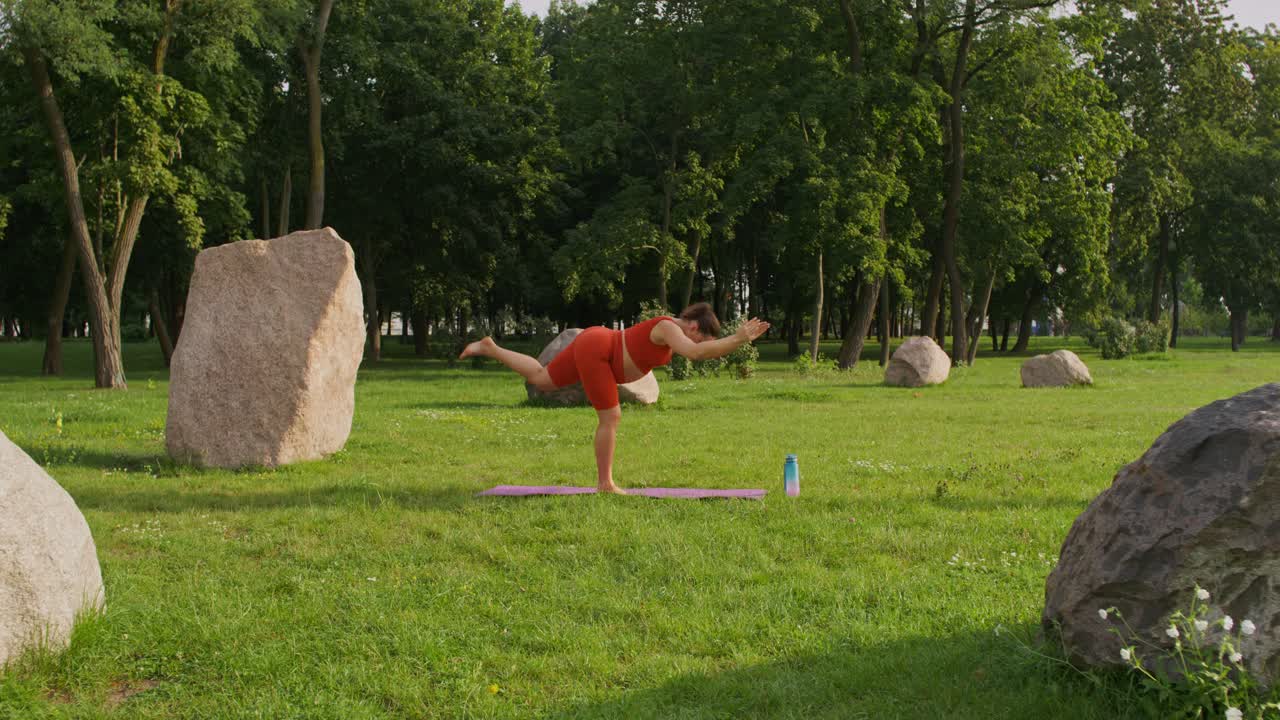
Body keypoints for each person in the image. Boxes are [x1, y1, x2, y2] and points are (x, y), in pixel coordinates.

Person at [459, 303, 770, 493]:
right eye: (701, 334)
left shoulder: (674, 331)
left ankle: (490, 347)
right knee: (611, 417)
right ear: (692, 325)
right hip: (598, 351)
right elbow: (697, 352)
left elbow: (702, 350)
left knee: (542, 379)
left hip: (594, 344)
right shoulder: (668, 326)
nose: (699, 341)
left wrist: (736, 341)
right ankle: (605, 483)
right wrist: (739, 338)